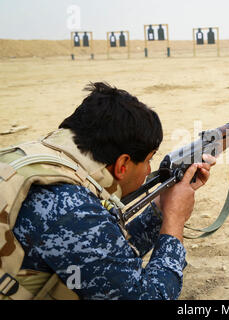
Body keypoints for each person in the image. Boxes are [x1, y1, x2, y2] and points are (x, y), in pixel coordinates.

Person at [9, 82, 215, 300]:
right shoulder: (74, 210)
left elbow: (104, 254)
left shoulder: (39, 161)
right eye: (148, 160)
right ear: (122, 165)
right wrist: (174, 222)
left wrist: (161, 209)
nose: (148, 170)